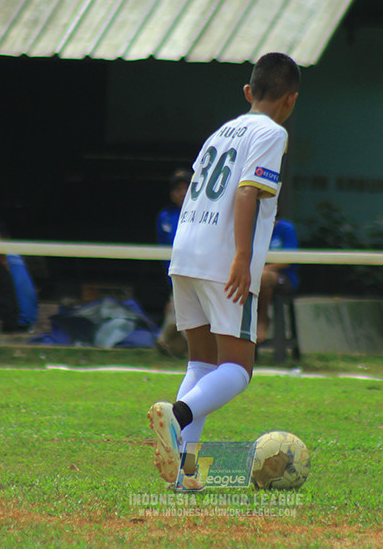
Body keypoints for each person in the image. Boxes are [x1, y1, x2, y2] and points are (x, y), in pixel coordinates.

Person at [147, 52, 300, 488]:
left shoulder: (221, 132)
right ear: (290, 99)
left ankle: (185, 472)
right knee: (238, 369)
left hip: (186, 252)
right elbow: (248, 193)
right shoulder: (272, 132)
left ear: (249, 92)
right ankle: (177, 418)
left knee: (201, 362)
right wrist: (242, 257)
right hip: (222, 256)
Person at [154, 169, 193, 357]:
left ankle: (166, 339)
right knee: (179, 304)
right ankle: (172, 342)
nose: (183, 193)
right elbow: (163, 251)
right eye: (178, 189)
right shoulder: (165, 217)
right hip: (175, 275)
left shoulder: (201, 215)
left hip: (196, 273)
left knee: (180, 306)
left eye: (187, 188)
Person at [256, 218, 299, 344]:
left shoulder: (286, 229)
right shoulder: (251, 228)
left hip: (283, 276)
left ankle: (262, 319)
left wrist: (260, 270)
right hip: (252, 275)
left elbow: (287, 261)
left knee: (264, 277)